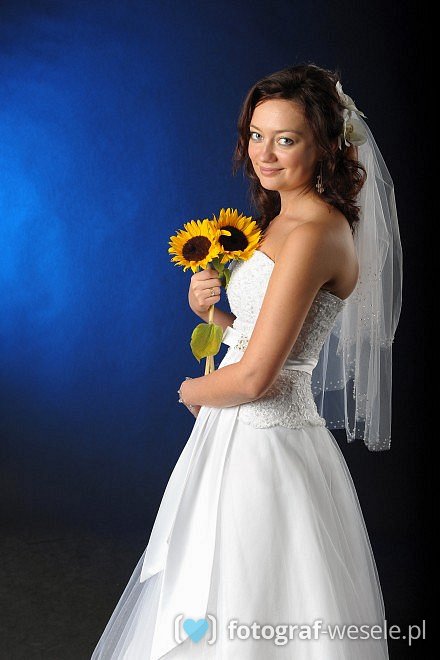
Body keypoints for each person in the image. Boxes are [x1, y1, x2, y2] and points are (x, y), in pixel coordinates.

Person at [91, 63, 402, 659]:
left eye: (286, 139)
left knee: (249, 605)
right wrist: (214, 315)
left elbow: (259, 376)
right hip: (237, 440)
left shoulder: (313, 233)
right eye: (257, 135)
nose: (264, 153)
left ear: (325, 145)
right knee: (213, 598)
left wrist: (191, 391)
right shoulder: (286, 218)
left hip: (266, 449)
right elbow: (269, 342)